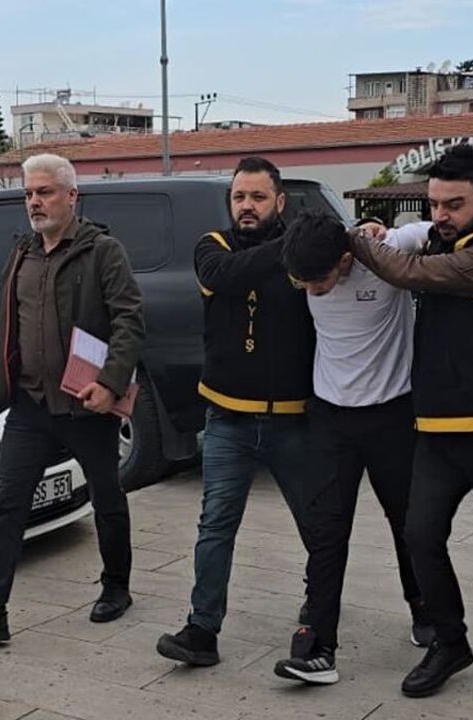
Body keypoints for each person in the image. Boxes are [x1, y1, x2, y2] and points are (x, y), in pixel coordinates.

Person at [347, 144, 473, 705]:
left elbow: (410, 272)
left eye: (454, 205)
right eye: (434, 204)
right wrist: (383, 231)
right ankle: (450, 642)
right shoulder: (447, 235)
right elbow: (412, 243)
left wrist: (354, 240)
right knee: (419, 536)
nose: (440, 215)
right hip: (440, 429)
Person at [0, 153, 144, 644]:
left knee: (107, 497)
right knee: (9, 505)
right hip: (29, 405)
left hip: (84, 402)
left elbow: (129, 320)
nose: (35, 202)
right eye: (29, 193)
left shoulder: (102, 252)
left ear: (72, 196)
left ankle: (116, 586)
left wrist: (110, 382)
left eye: (45, 192)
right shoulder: (21, 253)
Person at [156, 156, 316, 668]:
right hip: (227, 419)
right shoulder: (213, 246)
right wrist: (292, 247)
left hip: (294, 419)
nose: (247, 206)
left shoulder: (304, 253)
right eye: (239, 197)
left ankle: (320, 613)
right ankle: (202, 630)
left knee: (318, 525)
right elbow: (225, 276)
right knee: (216, 526)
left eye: (258, 197)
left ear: (280, 202)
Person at [271, 210, 433, 686]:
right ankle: (317, 648)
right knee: (326, 532)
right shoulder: (306, 265)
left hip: (391, 416)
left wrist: (381, 229)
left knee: (408, 523)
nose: (310, 290)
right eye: (301, 283)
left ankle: (424, 609)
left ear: (345, 260)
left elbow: (435, 232)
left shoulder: (386, 253)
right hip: (330, 419)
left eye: (318, 282)